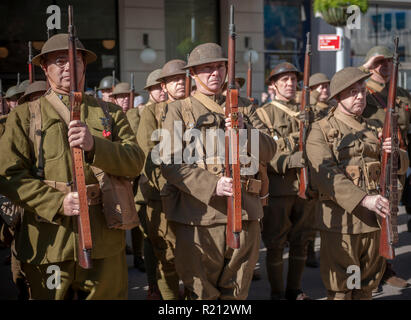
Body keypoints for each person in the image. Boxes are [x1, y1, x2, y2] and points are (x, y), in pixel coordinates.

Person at [0, 33, 144, 300]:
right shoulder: (23, 116)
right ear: (45, 68)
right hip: (49, 239)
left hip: (104, 236)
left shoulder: (109, 113)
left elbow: (135, 162)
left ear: (84, 65)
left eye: (75, 60)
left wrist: (94, 146)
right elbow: (8, 176)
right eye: (59, 61)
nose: (68, 67)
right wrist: (56, 202)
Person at [159, 42, 276, 300]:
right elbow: (168, 162)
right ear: (193, 74)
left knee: (237, 292)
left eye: (219, 67)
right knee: (202, 293)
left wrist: (246, 131)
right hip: (200, 215)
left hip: (245, 213)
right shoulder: (179, 110)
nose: (215, 73)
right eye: (206, 68)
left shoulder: (245, 107)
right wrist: (211, 184)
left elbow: (270, 152)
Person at [306, 67, 409, 300]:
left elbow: (402, 165)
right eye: (353, 92)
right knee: (344, 288)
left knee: (366, 287)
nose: (360, 96)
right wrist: (364, 199)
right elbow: (325, 174)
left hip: (374, 222)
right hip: (342, 224)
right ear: (338, 97)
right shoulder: (321, 130)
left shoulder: (374, 128)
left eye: (362, 90)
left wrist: (394, 153)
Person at [256, 62, 315, 300]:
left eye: (293, 79)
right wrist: (291, 160)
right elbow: (263, 151)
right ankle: (278, 293)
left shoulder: (307, 112)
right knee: (276, 243)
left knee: (302, 240)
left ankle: (295, 290)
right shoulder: (263, 114)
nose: (290, 84)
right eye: (284, 80)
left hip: (305, 186)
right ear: (272, 85)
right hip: (278, 188)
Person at [136, 59, 188, 300]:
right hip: (163, 193)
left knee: (194, 256)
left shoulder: (196, 107)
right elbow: (148, 152)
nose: (180, 83)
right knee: (165, 255)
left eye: (183, 78)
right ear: (164, 86)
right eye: (173, 79)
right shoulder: (152, 112)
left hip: (196, 193)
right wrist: (170, 184)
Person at [360, 45, 411, 289]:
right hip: (372, 160)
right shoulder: (362, 90)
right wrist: (365, 68)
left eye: (389, 61)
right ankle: (367, 270)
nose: (385, 65)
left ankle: (385, 269)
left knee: (391, 217)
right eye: (379, 61)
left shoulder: (401, 93)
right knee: (371, 218)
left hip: (398, 161)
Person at [127, 68, 167, 300]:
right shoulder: (139, 114)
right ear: (150, 90)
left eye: (164, 86)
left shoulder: (175, 108)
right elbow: (139, 149)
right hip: (146, 183)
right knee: (151, 238)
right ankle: (153, 286)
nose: (162, 91)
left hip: (172, 185)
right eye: (156, 87)